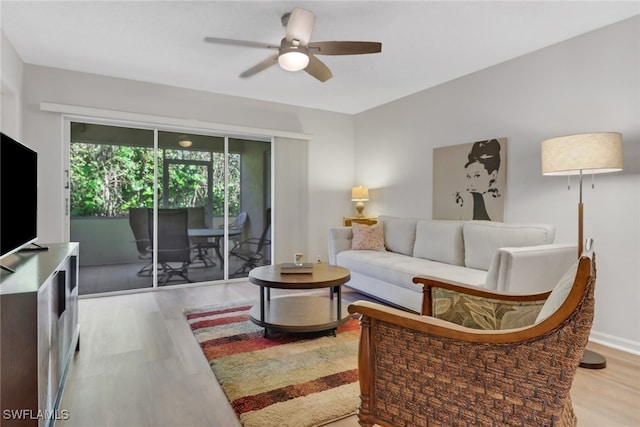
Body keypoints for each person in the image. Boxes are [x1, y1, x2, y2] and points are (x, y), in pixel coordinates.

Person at [456, 139, 501, 220]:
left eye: (477, 176)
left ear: (493, 175)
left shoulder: (497, 204)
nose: (471, 183)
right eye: (468, 177)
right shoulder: (465, 200)